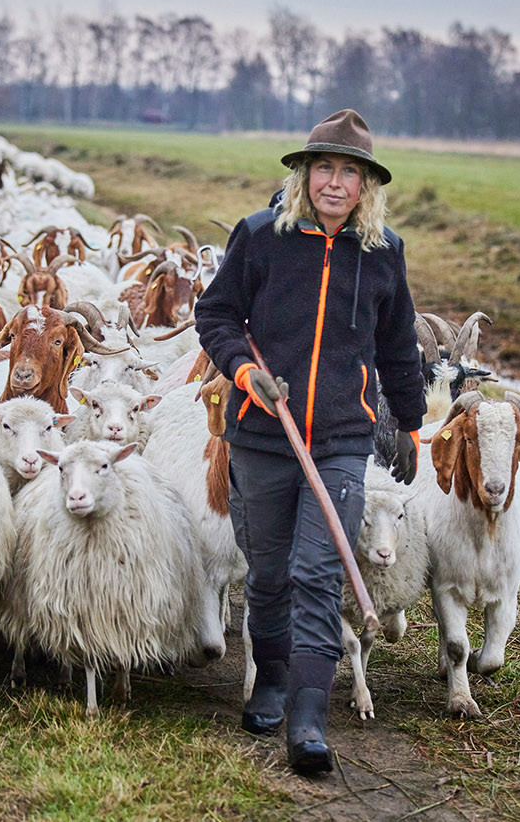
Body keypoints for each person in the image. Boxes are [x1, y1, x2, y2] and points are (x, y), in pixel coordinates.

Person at [193, 109, 428, 775]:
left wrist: (408, 423)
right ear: (303, 174)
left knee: (318, 573)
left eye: (348, 172)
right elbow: (214, 314)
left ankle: (306, 718)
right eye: (323, 167)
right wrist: (244, 370)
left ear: (365, 186)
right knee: (267, 576)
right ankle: (269, 677)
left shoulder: (383, 254)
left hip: (341, 441)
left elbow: (396, 347)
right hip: (263, 434)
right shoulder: (260, 237)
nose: (334, 181)